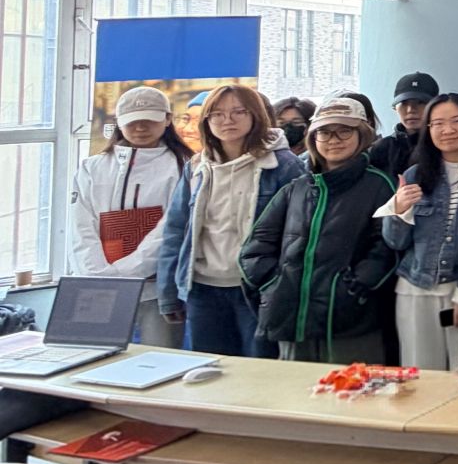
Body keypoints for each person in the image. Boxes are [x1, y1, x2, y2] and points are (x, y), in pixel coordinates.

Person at [241, 99, 397, 363]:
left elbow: (386, 247)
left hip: (350, 325)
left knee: (353, 387)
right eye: (324, 132)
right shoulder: (296, 188)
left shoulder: (380, 185)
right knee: (294, 387)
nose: (334, 140)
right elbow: (254, 248)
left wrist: (353, 288)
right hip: (292, 322)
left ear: (362, 135)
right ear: (313, 138)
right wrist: (275, 286)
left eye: (344, 131)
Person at [155, 84, 304, 356]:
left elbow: (298, 233)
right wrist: (168, 293)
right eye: (218, 114)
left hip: (256, 289)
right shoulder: (196, 166)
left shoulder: (283, 165)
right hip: (203, 289)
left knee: (258, 371)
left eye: (238, 112)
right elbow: (176, 230)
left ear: (255, 115)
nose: (228, 120)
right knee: (211, 369)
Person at [67, 86, 191, 348]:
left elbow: (172, 227)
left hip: (157, 288)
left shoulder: (184, 166)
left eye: (150, 120)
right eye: (132, 121)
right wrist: (98, 273)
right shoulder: (92, 167)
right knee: (97, 356)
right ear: (119, 122)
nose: (141, 127)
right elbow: (81, 225)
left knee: (160, 357)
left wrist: (128, 271)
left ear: (167, 119)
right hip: (98, 285)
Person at [382, 92, 458, 370]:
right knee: (420, 375)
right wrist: (399, 209)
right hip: (414, 288)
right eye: (438, 123)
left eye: (457, 121)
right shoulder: (415, 175)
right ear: (428, 129)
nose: (448, 130)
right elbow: (395, 242)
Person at [369, 72, 437, 179]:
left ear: (435, 107)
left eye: (420, 102)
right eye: (404, 103)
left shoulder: (443, 144)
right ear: (395, 107)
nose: (411, 110)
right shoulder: (382, 149)